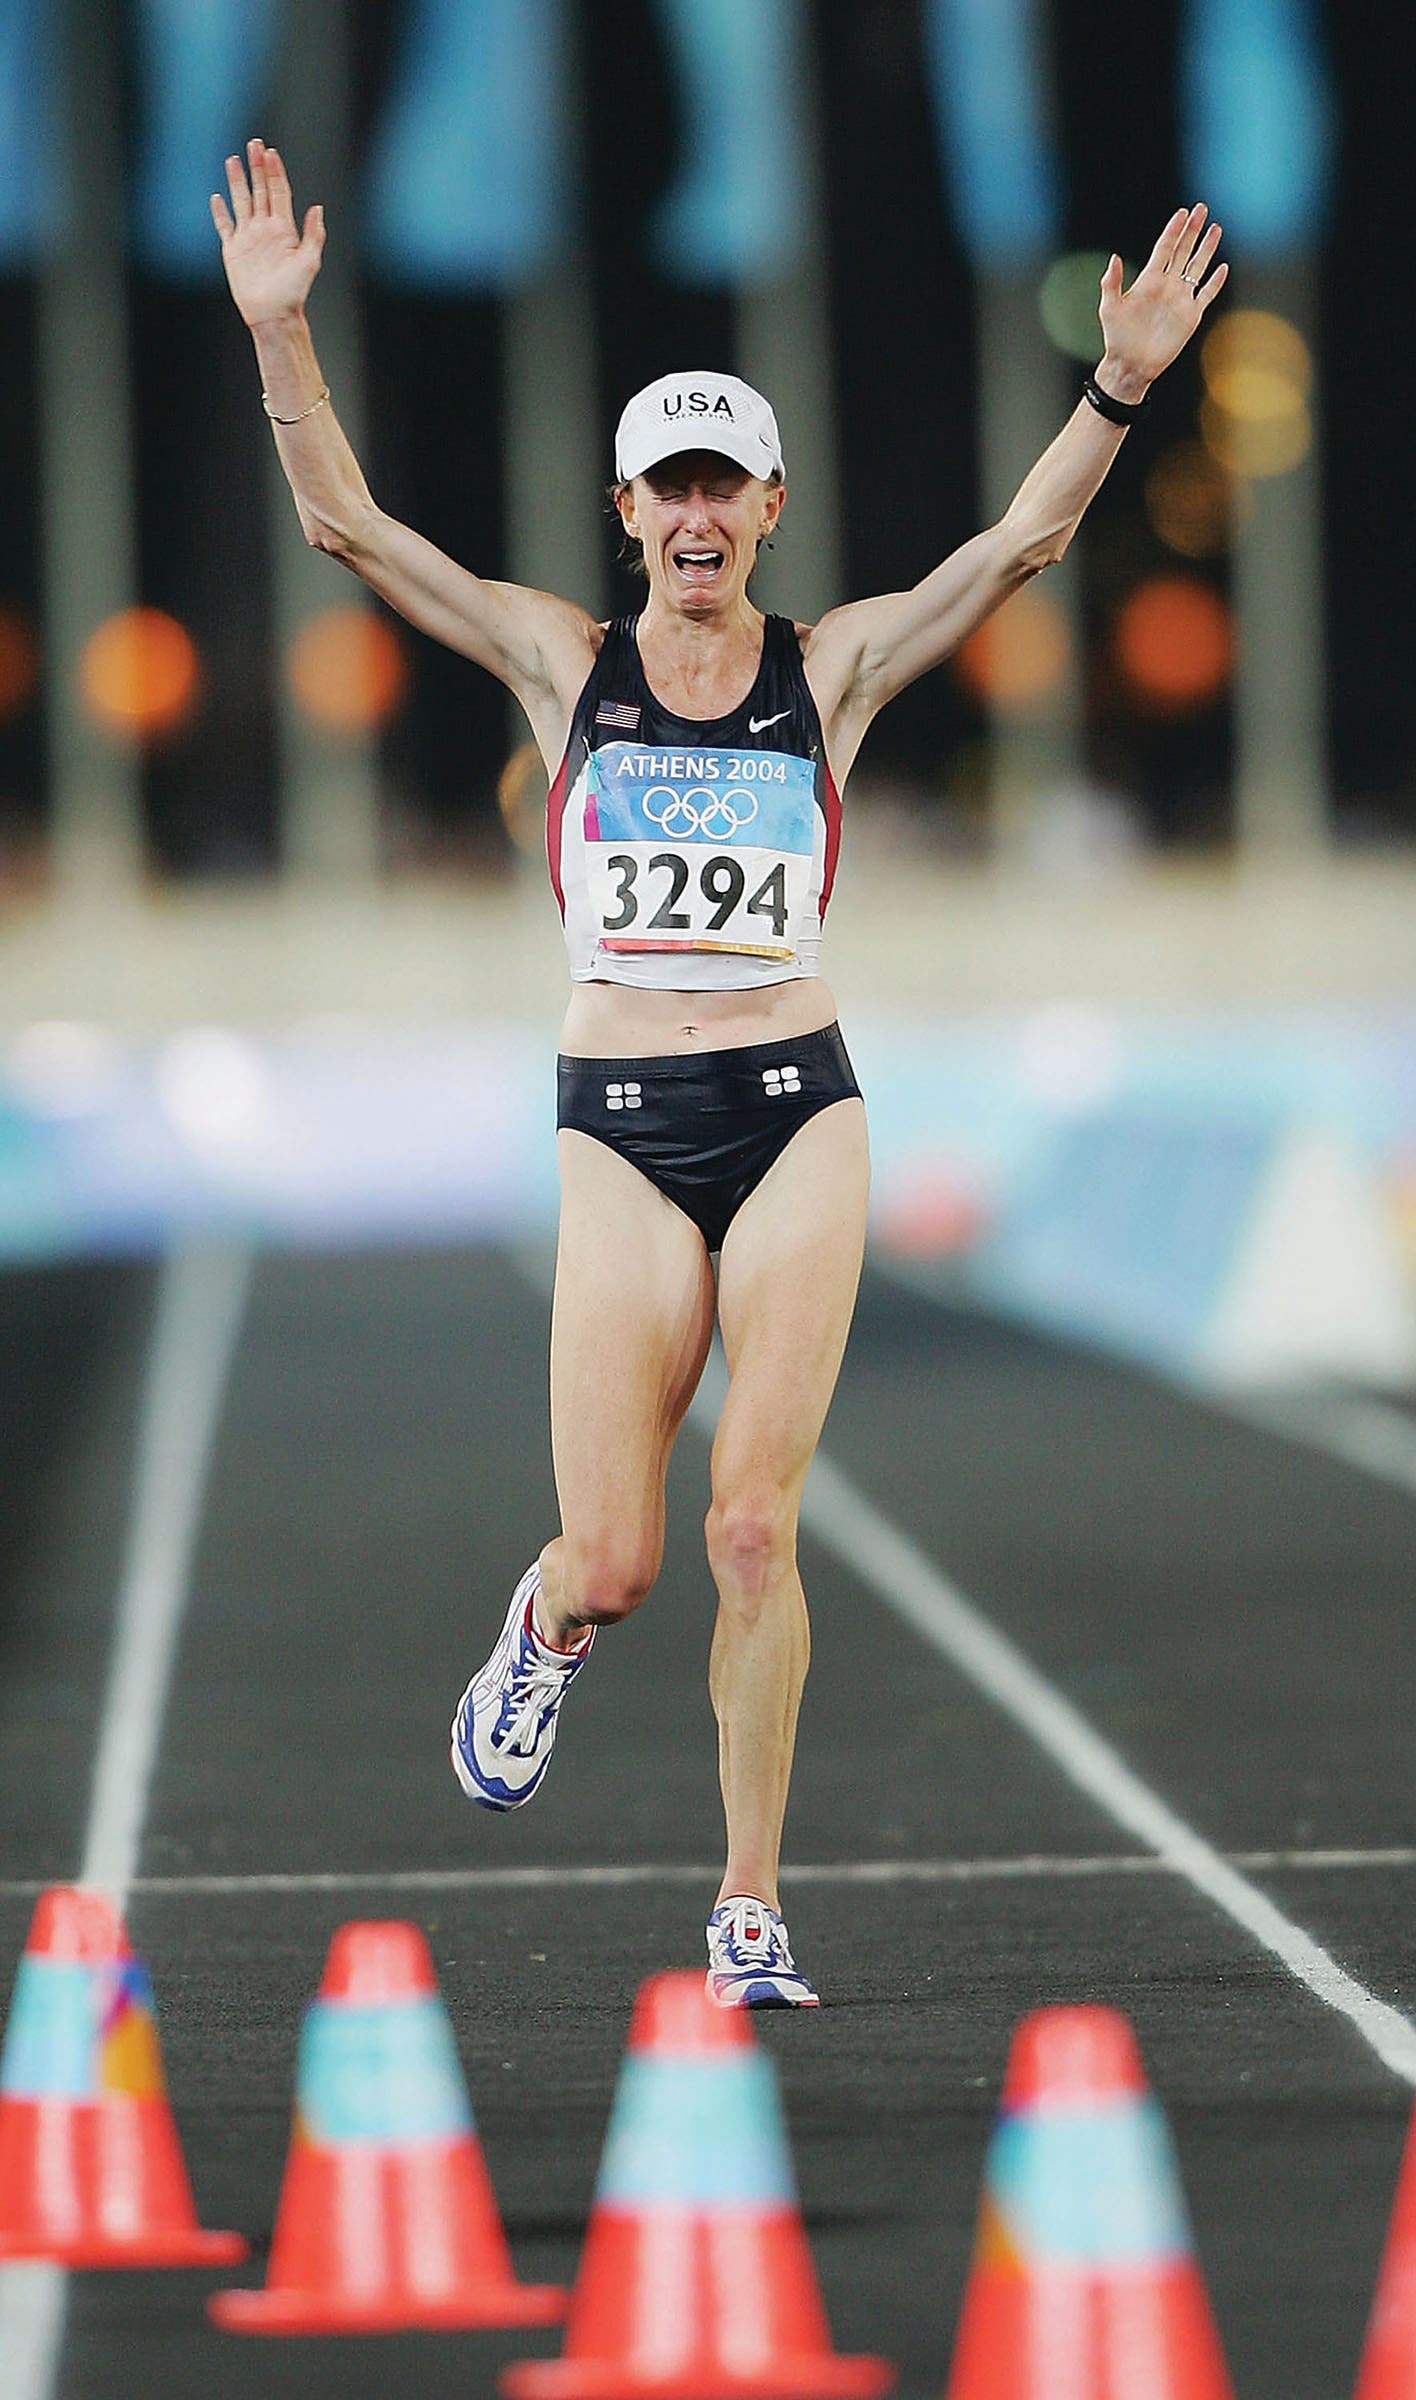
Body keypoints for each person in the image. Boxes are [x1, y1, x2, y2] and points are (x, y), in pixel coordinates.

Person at [213, 138, 1225, 2007]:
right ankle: (540, 1622)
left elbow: (1021, 548)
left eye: (723, 483)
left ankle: (748, 1904)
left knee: (754, 1519)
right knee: (621, 1558)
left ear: (768, 505)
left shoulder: (825, 673)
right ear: (627, 507)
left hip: (794, 1111)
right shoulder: (560, 664)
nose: (695, 514)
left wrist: (1125, 386)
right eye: (666, 482)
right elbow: (351, 529)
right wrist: (283, 339)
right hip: (619, 1129)